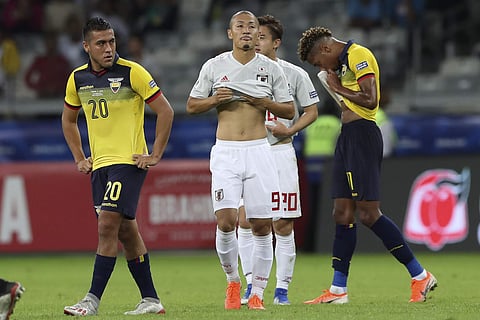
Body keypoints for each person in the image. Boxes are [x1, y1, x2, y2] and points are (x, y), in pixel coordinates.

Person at [297, 26, 437, 304]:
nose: (321, 68)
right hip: (347, 136)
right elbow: (350, 101)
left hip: (363, 136)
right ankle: (338, 290)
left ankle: (419, 275)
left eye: (318, 62)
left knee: (369, 214)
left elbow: (371, 99)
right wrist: (336, 88)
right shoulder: (342, 66)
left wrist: (336, 87)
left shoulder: (358, 54)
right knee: (341, 212)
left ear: (325, 49)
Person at [62, 17, 174, 316]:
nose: (108, 48)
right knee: (126, 233)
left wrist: (155, 154)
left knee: (107, 225)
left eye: (111, 41)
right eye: (101, 43)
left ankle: (91, 300)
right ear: (86, 46)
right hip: (100, 166)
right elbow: (68, 119)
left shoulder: (132, 72)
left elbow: (165, 111)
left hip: (128, 162)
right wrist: (79, 157)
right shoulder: (77, 79)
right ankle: (151, 299)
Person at [186, 10, 294, 310]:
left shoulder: (271, 70)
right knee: (226, 221)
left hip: (260, 151)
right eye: (240, 26)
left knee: (261, 225)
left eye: (252, 27)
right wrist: (214, 101)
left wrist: (265, 103)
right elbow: (192, 105)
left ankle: (257, 292)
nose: (247, 31)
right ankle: (233, 282)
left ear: (258, 33)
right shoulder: (215, 66)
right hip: (226, 152)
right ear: (230, 33)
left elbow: (287, 110)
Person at [236, 14, 319, 306]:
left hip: (280, 152)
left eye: (261, 37)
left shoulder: (293, 73)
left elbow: (311, 110)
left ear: (276, 42)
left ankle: (281, 289)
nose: (255, 41)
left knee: (282, 224)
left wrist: (291, 129)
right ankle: (250, 284)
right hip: (250, 152)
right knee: (245, 221)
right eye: (253, 36)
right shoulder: (239, 70)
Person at [302, 99, 341, 252]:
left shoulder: (313, 123)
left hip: (311, 165)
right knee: (326, 206)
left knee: (312, 205)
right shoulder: (337, 124)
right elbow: (339, 145)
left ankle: (309, 244)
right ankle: (325, 243)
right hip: (328, 165)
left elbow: (305, 142)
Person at [24, 31, 71, 98]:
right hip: (42, 95)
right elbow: (27, 78)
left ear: (56, 44)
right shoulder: (39, 61)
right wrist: (39, 87)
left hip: (59, 96)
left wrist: (59, 87)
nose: (51, 45)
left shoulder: (62, 61)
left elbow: (70, 79)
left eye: (52, 43)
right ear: (45, 44)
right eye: (48, 43)